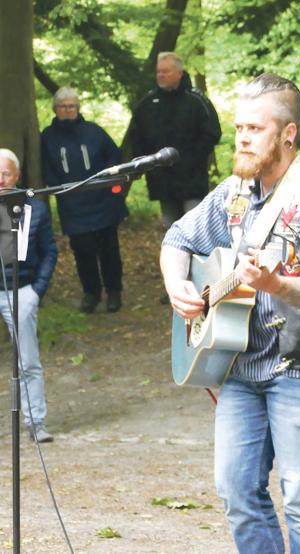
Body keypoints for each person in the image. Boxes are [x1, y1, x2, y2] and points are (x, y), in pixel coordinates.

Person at [160, 73, 300, 553]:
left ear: (288, 134)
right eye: (238, 128)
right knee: (236, 490)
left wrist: (276, 284)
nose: (243, 138)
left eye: (255, 129)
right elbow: (177, 239)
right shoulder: (234, 190)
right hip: (241, 363)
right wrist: (177, 285)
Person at [40, 87, 128, 313]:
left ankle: (114, 292)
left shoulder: (94, 131)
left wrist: (107, 181)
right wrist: (59, 188)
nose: (68, 110)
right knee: (82, 251)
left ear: (78, 109)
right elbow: (46, 168)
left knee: (109, 249)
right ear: (55, 109)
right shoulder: (47, 137)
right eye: (63, 107)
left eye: (72, 106)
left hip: (103, 202)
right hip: (73, 205)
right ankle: (91, 292)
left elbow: (114, 156)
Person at [0, 149, 58, 443]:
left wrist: (37, 291)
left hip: (21, 290)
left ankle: (36, 422)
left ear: (17, 175)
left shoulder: (35, 208)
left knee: (28, 362)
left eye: (5, 174)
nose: (0, 180)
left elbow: (50, 251)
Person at [127, 52, 221, 229]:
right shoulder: (147, 103)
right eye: (158, 72)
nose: (161, 75)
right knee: (173, 232)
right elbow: (136, 135)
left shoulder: (196, 100)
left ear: (179, 73)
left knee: (195, 230)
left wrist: (190, 159)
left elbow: (212, 133)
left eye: (166, 71)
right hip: (162, 182)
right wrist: (149, 163)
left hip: (191, 180)